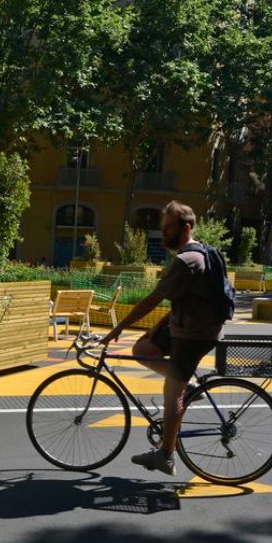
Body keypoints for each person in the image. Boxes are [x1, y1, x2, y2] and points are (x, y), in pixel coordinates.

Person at [100, 200, 228, 475]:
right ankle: (188, 385)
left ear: (185, 228)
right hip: (188, 324)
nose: (163, 233)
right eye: (162, 227)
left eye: (167, 228)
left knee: (172, 394)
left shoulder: (187, 260)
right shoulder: (198, 252)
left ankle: (166, 455)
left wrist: (118, 327)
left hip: (194, 334)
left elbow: (153, 298)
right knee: (143, 347)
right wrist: (155, 328)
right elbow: (183, 300)